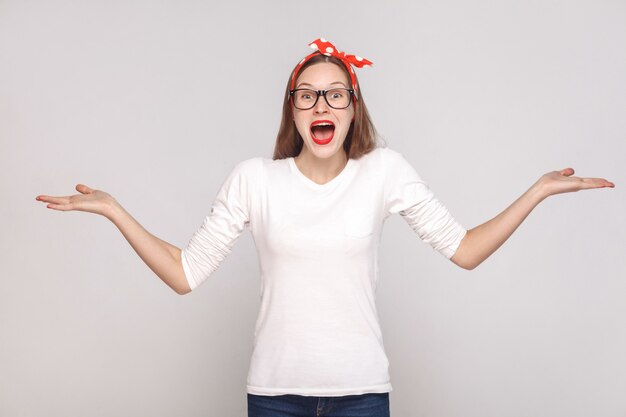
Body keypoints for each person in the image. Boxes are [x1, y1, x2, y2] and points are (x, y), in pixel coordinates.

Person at [35, 38, 615, 417]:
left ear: (352, 109)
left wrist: (536, 192)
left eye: (336, 94)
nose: (322, 105)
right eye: (308, 95)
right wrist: (115, 211)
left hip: (362, 395)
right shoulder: (254, 179)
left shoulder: (384, 171)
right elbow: (185, 273)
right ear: (292, 109)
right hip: (273, 397)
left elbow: (464, 250)